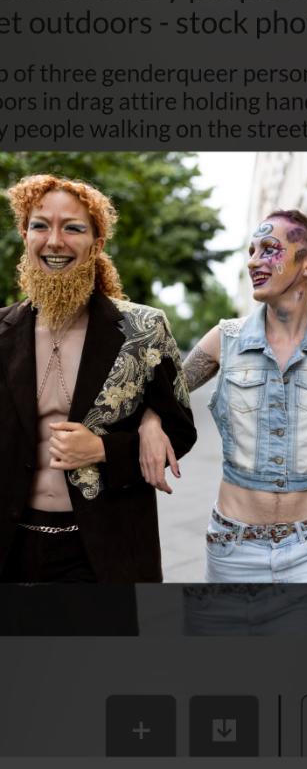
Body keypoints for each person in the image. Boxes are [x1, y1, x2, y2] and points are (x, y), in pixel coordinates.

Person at [141, 209, 307, 583]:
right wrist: (151, 420)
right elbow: (163, 390)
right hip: (233, 547)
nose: (252, 261)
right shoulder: (225, 339)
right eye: (251, 251)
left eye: (268, 249)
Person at [0, 174, 196, 583]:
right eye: (40, 225)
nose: (55, 241)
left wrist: (105, 449)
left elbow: (181, 430)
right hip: (12, 549)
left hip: (107, 550)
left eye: (73, 228)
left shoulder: (143, 329)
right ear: (25, 236)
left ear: (97, 244)